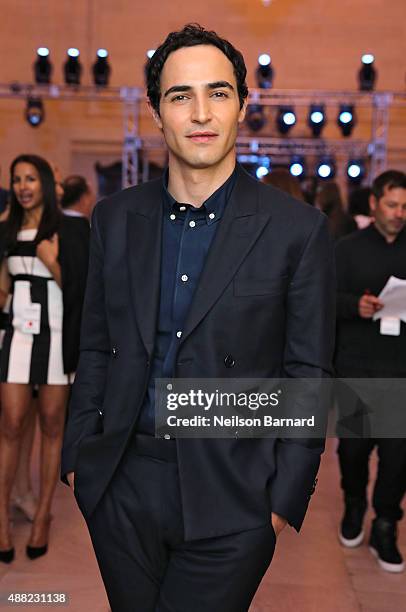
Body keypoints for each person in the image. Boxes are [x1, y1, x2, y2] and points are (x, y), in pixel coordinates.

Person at [62, 24, 335, 611]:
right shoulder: (114, 218)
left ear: (242, 104)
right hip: (122, 485)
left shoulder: (297, 230)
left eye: (218, 92)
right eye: (180, 96)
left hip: (235, 496)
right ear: (158, 114)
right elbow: (95, 344)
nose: (201, 112)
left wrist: (284, 499)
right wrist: (79, 459)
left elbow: (307, 374)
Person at [0, 154, 89, 563]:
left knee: (53, 428)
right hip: (16, 337)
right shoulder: (5, 229)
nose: (23, 186)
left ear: (46, 181)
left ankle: (43, 517)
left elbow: (84, 291)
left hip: (57, 338)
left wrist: (53, 264)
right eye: (17, 179)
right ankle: (1, 520)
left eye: (31, 178)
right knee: (12, 426)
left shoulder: (71, 228)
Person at [335, 169, 406, 573]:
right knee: (354, 451)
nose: (399, 214)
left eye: (405, 207)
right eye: (392, 205)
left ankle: (384, 524)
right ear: (375, 203)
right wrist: (354, 307)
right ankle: (354, 505)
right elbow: (325, 300)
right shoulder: (347, 249)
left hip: (401, 370)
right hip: (357, 368)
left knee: (398, 456)